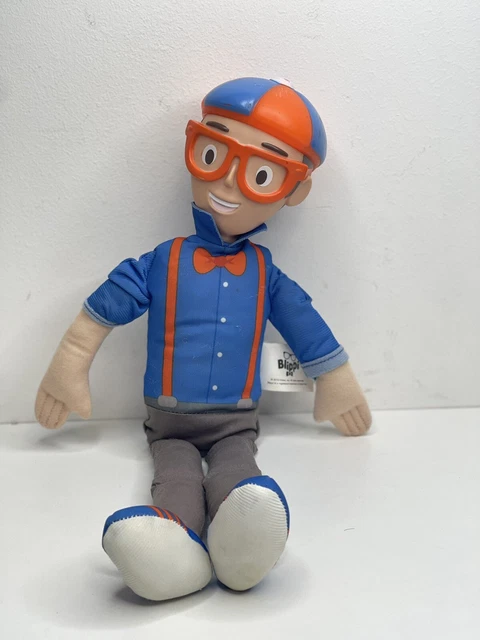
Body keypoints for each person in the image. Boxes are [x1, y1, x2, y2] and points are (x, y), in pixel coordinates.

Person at [35, 77, 372, 601]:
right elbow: (106, 306)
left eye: (262, 173)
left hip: (237, 420)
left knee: (239, 472)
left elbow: (303, 322)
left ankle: (242, 544)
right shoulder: (162, 260)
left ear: (294, 191)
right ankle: (174, 552)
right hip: (169, 420)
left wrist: (334, 379)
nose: (230, 183)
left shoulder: (266, 274)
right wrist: (71, 362)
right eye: (213, 153)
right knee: (175, 475)